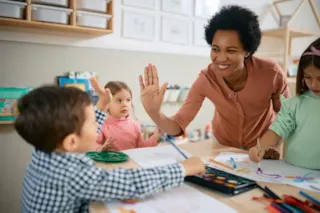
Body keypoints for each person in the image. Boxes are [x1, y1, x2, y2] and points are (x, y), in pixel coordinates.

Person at [16, 81, 205, 213]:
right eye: (93, 123)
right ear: (71, 142)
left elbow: (80, 133)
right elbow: (131, 182)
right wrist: (183, 168)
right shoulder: (71, 175)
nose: (98, 124)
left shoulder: (45, 149)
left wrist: (100, 107)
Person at [139, 5, 290, 157]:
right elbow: (177, 125)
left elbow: (286, 115)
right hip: (223, 147)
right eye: (216, 49)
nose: (221, 58)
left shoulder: (271, 73)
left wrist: (270, 145)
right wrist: (155, 112)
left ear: (247, 52)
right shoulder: (206, 79)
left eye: (230, 50)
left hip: (263, 149)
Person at [249, 38, 320, 170]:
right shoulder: (295, 104)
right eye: (308, 77)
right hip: (292, 172)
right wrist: (261, 147)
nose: (313, 84)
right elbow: (277, 129)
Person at [95, 80, 161, 151]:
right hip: (110, 162)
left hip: (131, 162)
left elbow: (141, 148)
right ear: (107, 103)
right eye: (119, 101)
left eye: (128, 100)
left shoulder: (134, 125)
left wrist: (155, 138)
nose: (125, 104)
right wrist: (100, 148)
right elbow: (93, 144)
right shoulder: (102, 125)